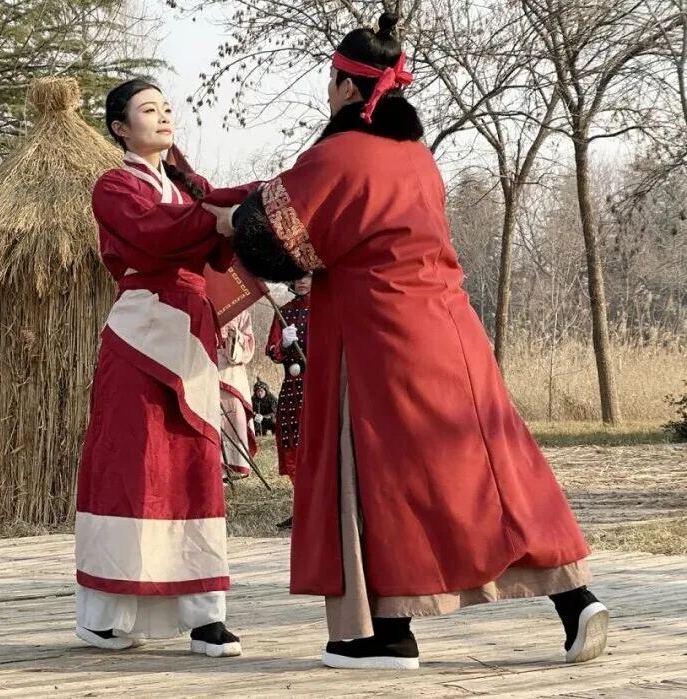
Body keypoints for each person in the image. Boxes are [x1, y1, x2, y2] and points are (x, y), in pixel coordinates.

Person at [204, 13, 608, 670]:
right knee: (496, 465)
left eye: (330, 81)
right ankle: (576, 599)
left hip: (380, 336)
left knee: (377, 475)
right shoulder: (417, 158)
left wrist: (222, 218)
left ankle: (383, 633)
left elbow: (269, 239)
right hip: (453, 328)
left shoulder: (337, 157)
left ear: (345, 87)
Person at [74, 79, 256, 657]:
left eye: (167, 108)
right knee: (132, 464)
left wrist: (255, 199)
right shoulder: (114, 186)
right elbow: (156, 236)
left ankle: (206, 615)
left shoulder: (184, 188)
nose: (163, 116)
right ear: (120, 128)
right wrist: (219, 215)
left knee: (194, 466)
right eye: (148, 109)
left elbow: (218, 233)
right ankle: (106, 614)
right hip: (139, 332)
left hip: (190, 332)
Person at [266, 275, 311, 483]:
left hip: (319, 383)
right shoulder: (283, 312)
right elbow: (272, 351)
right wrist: (283, 345)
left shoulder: (326, 308)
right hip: (292, 387)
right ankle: (299, 494)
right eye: (296, 276)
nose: (301, 281)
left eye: (306, 276)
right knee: (293, 439)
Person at [218, 310, 257, 480]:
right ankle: (214, 465)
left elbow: (249, 343)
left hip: (232, 373)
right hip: (205, 367)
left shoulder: (240, 310)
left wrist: (236, 336)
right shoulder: (201, 304)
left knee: (235, 414)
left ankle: (235, 464)